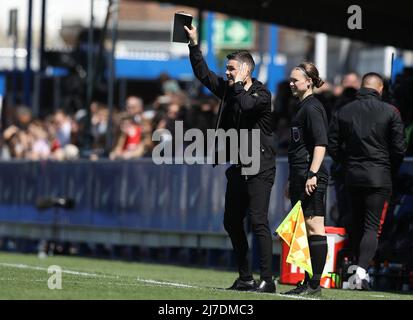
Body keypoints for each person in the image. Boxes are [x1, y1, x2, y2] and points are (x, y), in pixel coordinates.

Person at [184, 24, 277, 293]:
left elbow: (247, 106)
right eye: (226, 69)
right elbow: (203, 74)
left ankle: (268, 280)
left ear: (246, 71)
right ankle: (245, 277)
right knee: (231, 221)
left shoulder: (262, 93)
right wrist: (193, 44)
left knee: (259, 222)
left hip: (259, 167)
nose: (226, 74)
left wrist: (236, 86)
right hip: (238, 165)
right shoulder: (228, 89)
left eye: (231, 69)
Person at [328, 72, 406, 290]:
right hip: (380, 177)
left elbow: (332, 145)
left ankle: (354, 270)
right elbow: (399, 149)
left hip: (352, 176)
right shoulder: (391, 111)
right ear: (380, 89)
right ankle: (360, 273)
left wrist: (347, 162)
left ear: (362, 87)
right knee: (372, 227)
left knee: (355, 223)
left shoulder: (344, 110)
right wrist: (390, 169)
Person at [283, 62, 329, 296]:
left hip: (311, 175)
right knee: (302, 230)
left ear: (309, 81)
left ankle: (315, 284)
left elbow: (321, 144)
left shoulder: (313, 107)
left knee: (314, 227)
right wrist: (293, 179)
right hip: (299, 175)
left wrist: (312, 174)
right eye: (290, 80)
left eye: (295, 80)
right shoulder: (301, 106)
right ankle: (306, 281)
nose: (291, 83)